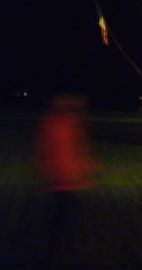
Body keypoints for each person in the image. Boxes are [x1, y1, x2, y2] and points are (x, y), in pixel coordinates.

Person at [35, 93, 96, 269]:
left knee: (62, 220)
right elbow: (74, 150)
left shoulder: (56, 122)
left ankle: (56, 254)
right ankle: (57, 256)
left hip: (63, 179)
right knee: (63, 221)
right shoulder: (65, 123)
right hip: (66, 179)